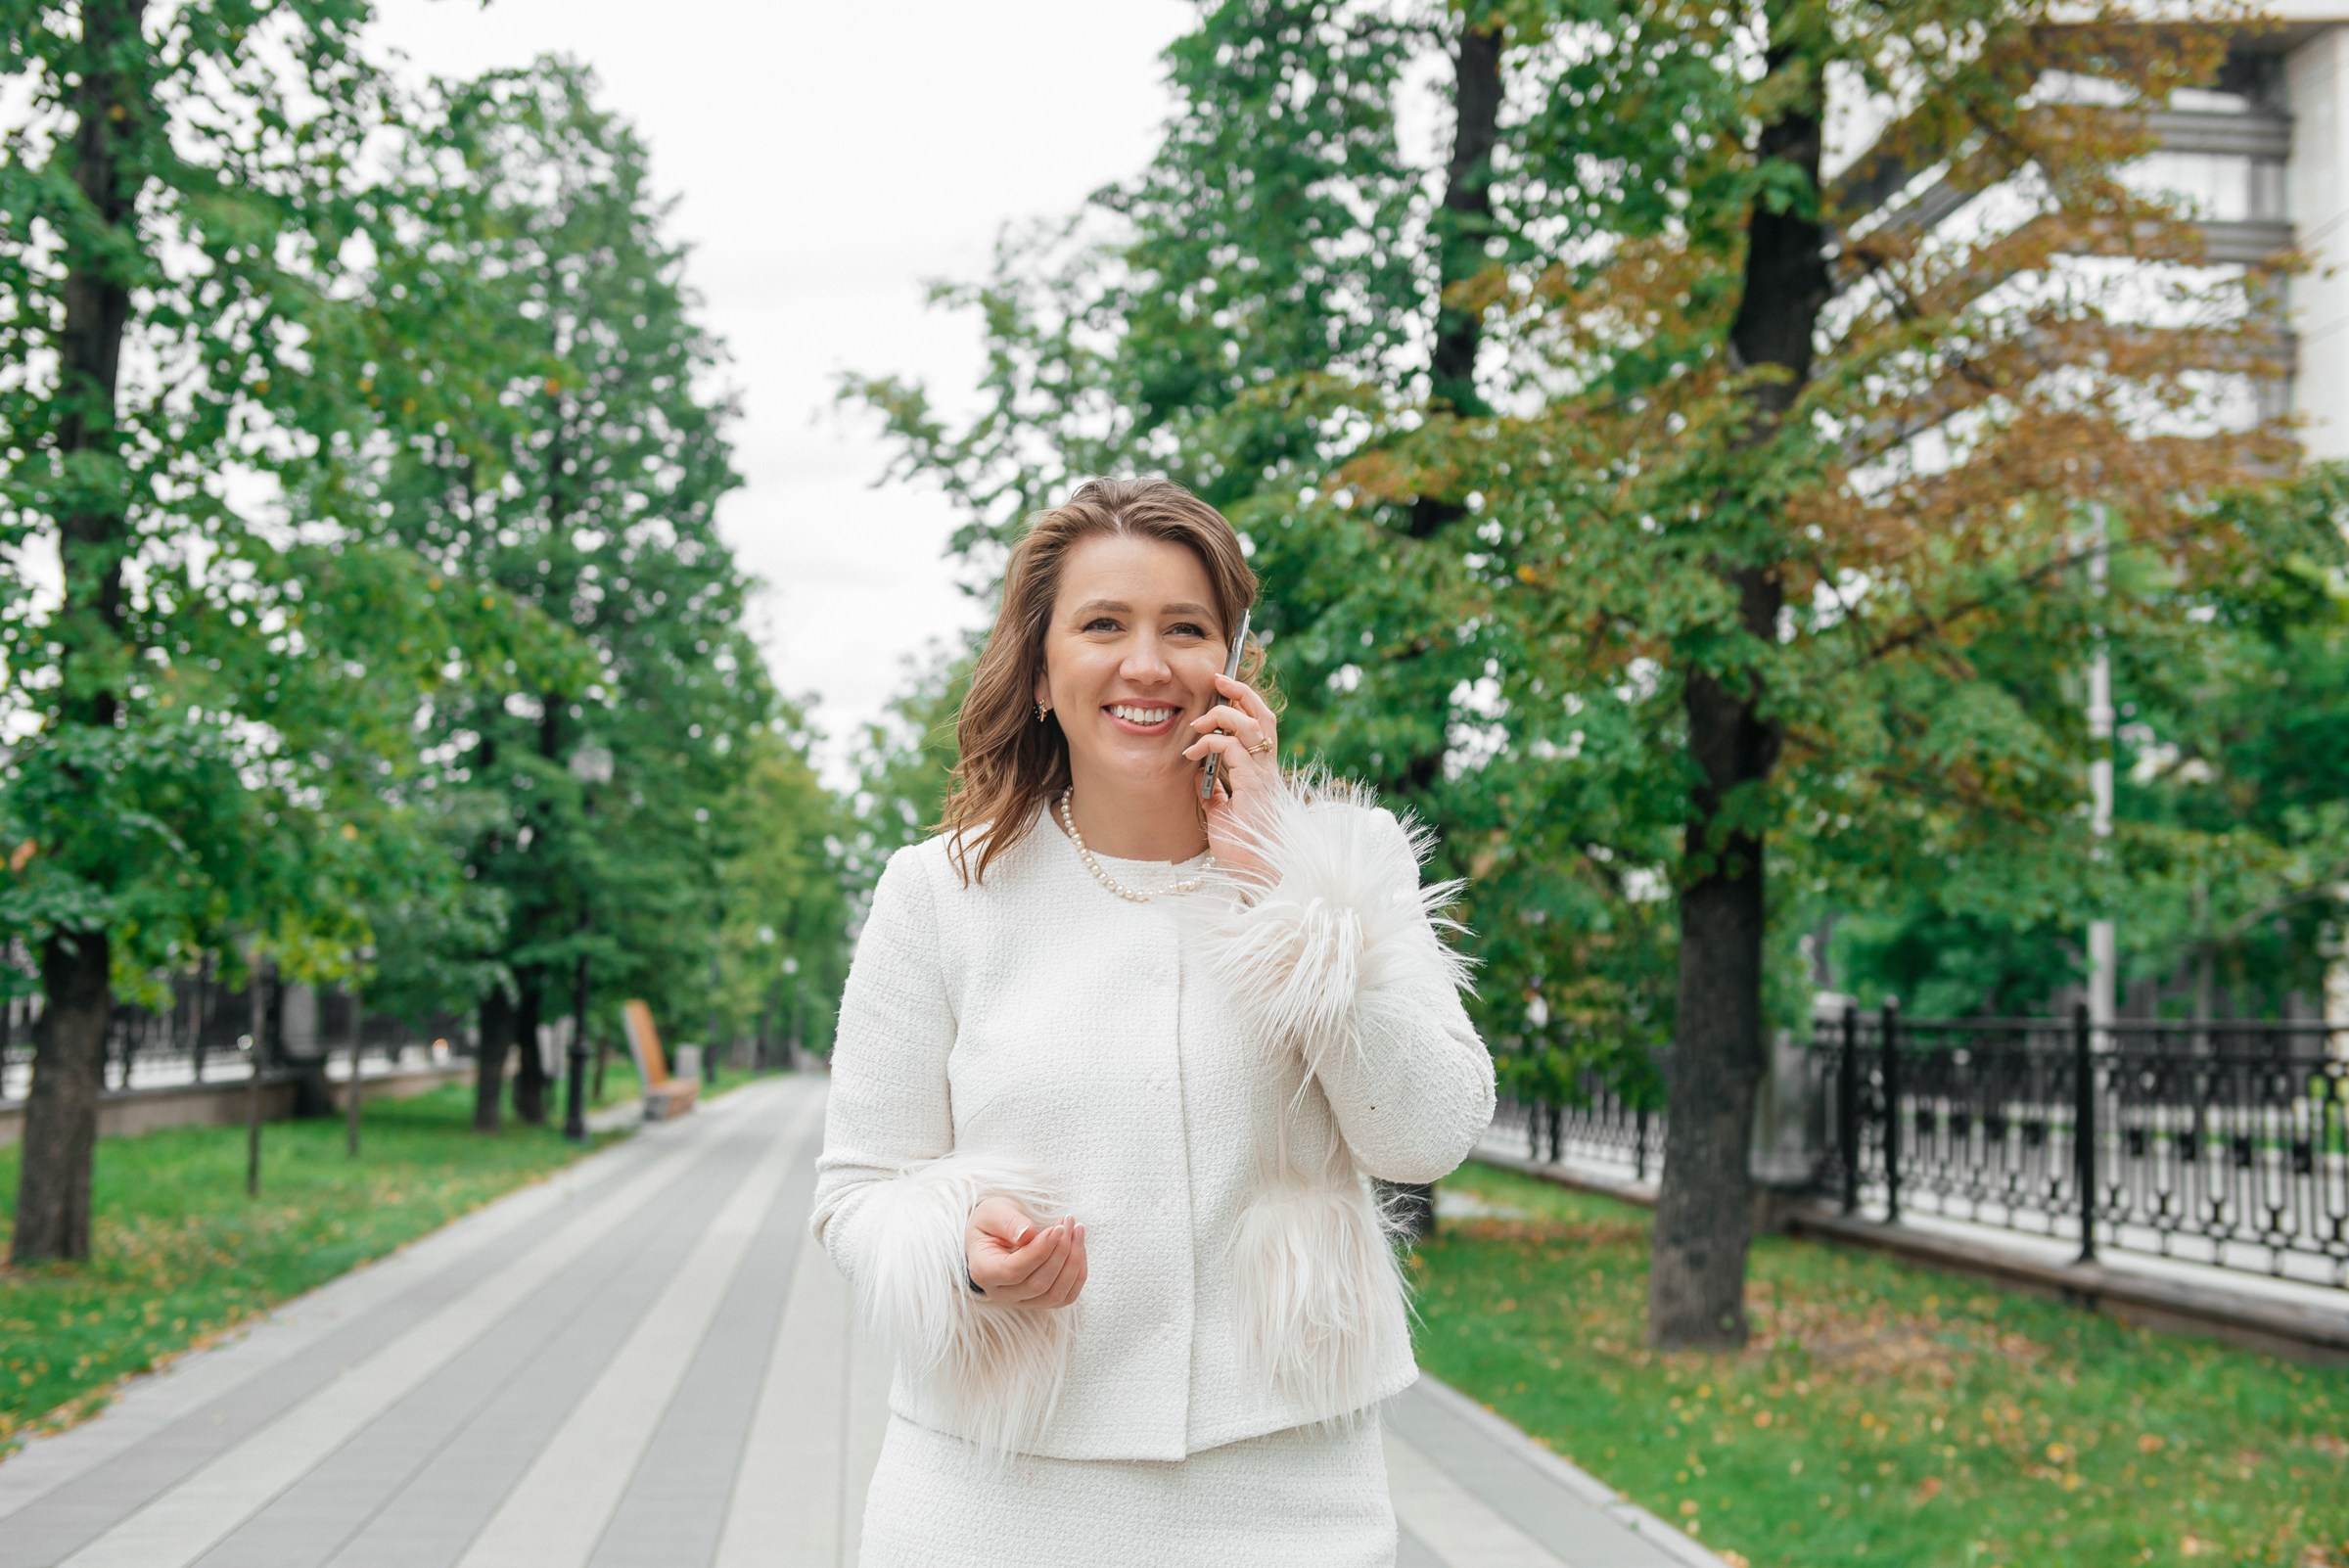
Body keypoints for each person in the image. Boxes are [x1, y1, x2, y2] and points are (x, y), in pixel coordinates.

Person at [811, 476, 1495, 1567]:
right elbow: (856, 1193)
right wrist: (964, 1256)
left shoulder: (1343, 864)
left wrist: (1285, 883)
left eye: (1186, 628)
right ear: (1041, 673)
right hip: (990, 1495)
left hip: (1287, 1497)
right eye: (1102, 625)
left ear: (1230, 665)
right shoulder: (936, 895)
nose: (1146, 664)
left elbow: (1425, 1133)